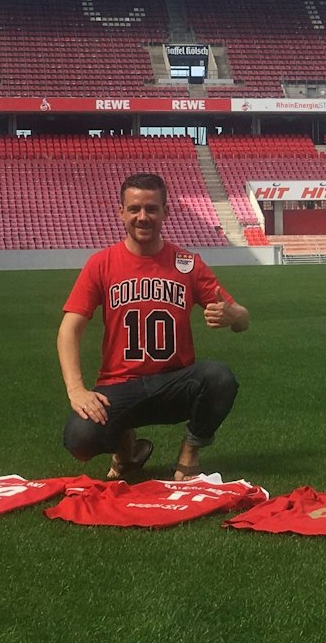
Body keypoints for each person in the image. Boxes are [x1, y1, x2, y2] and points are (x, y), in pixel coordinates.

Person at [57, 172, 249, 481]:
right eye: (134, 209)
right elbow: (69, 329)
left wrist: (234, 316)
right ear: (121, 212)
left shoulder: (187, 263)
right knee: (79, 439)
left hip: (174, 384)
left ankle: (190, 451)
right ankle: (127, 450)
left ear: (166, 212)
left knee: (219, 377)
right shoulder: (101, 264)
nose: (142, 217)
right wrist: (76, 389)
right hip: (119, 385)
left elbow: (242, 317)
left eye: (151, 209)